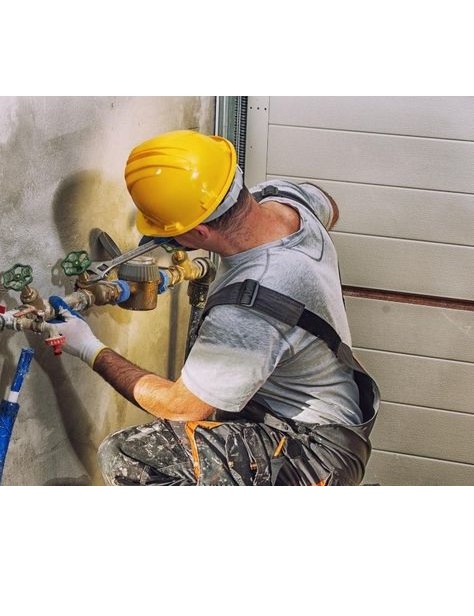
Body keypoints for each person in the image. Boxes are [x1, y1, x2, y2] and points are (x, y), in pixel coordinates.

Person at [49, 129, 380, 486]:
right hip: (318, 413)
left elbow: (181, 407)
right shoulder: (284, 197)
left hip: (313, 454)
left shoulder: (248, 309)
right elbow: (329, 204)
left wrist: (88, 347)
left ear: (200, 233)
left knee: (126, 456)